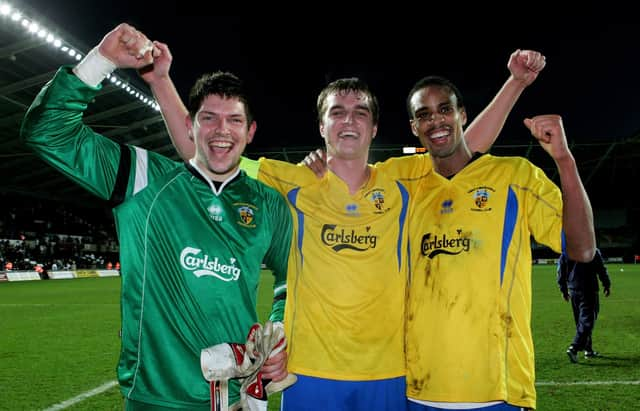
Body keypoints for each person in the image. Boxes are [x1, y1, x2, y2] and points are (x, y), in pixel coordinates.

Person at [143, 41, 545, 410]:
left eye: (360, 113)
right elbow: (204, 149)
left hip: (387, 373)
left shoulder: (402, 180)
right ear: (321, 127)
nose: (348, 121)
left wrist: (515, 83)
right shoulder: (292, 181)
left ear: (373, 128)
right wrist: (161, 79)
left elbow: (462, 144)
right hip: (309, 371)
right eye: (337, 112)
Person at [20, 23, 294, 410]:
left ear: (249, 132)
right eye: (208, 118)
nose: (222, 131)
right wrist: (100, 62)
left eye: (234, 120)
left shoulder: (268, 204)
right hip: (157, 398)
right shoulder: (144, 179)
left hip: (238, 393)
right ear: (189, 125)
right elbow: (46, 133)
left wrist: (278, 330)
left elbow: (291, 278)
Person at [404, 76, 596, 410]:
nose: (435, 120)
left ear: (463, 115)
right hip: (417, 389)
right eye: (424, 114)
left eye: (445, 109)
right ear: (413, 126)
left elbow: (582, 249)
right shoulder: (404, 183)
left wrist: (564, 160)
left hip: (499, 390)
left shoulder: (515, 176)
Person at [557, 248, 611, 363]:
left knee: (581, 321)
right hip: (589, 289)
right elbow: (601, 269)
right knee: (588, 320)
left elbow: (561, 270)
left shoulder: (567, 251)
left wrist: (564, 290)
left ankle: (588, 349)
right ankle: (574, 348)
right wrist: (606, 284)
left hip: (574, 290)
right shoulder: (592, 250)